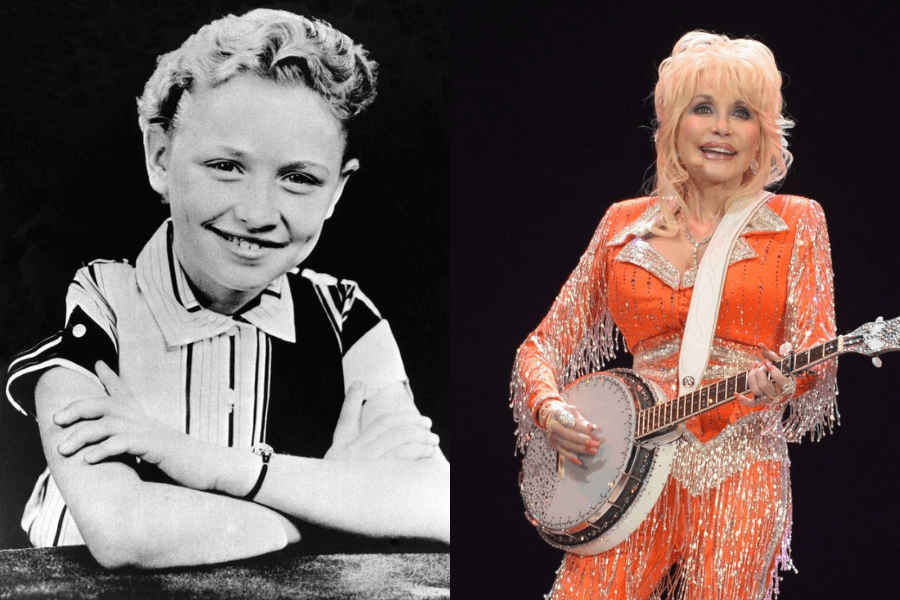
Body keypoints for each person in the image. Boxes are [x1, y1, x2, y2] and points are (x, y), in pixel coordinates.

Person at [5, 8, 449, 568]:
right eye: (225, 166)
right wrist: (335, 510)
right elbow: (126, 530)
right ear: (160, 158)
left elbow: (434, 506)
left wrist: (207, 463)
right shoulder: (98, 298)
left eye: (299, 178)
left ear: (337, 191)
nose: (258, 213)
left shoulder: (343, 315)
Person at [511, 31, 836, 599]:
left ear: (762, 133)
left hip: (739, 469)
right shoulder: (620, 224)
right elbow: (540, 345)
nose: (721, 127)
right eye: (703, 108)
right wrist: (550, 409)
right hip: (623, 474)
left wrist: (782, 381)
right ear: (671, 124)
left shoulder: (797, 220)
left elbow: (817, 347)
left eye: (742, 113)